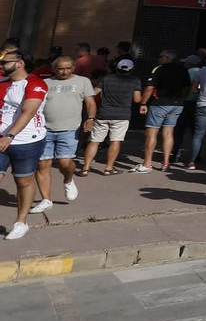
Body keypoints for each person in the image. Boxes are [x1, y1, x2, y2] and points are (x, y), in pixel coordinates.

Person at [0, 52, 48, 240]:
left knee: (23, 181)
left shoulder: (36, 83)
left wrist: (10, 136)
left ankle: (21, 222)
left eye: (5, 62)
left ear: (19, 64)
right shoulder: (3, 82)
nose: (2, 65)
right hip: (2, 138)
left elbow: (28, 112)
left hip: (28, 140)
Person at [39, 56, 95, 207]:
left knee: (64, 163)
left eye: (68, 68)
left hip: (70, 128)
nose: (65, 72)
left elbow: (90, 102)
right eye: (61, 69)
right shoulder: (45, 83)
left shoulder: (83, 81)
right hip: (45, 129)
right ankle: (46, 200)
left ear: (73, 68)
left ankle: (68, 180)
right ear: (54, 69)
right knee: (42, 164)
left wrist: (90, 118)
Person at [136, 50, 191, 173]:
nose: (158, 59)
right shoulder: (183, 70)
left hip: (159, 103)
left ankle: (147, 163)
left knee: (152, 132)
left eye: (160, 57)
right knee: (168, 133)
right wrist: (181, 99)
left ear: (166, 58)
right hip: (177, 104)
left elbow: (150, 87)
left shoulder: (159, 69)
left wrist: (143, 103)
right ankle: (166, 163)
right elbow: (187, 87)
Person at [85, 58, 139, 175]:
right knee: (115, 141)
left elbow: (94, 93)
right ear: (131, 69)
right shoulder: (135, 81)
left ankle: (85, 168)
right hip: (122, 115)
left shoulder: (107, 79)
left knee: (94, 141)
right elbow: (137, 99)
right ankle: (109, 168)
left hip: (103, 113)